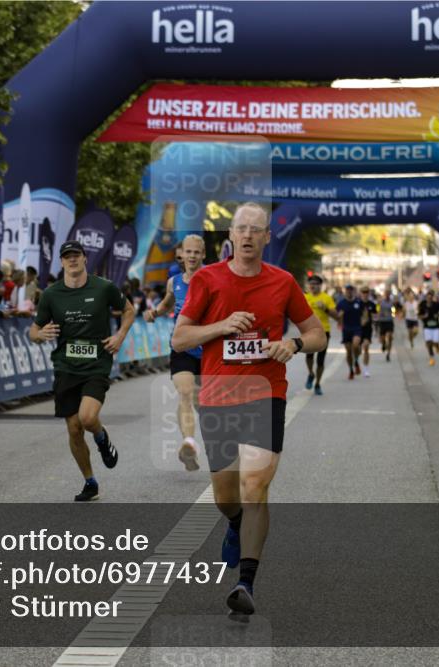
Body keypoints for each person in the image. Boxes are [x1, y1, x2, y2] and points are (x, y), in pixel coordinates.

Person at [172, 203, 325, 616]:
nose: (248, 235)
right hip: (219, 397)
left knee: (255, 485)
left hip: (265, 393)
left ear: (266, 237)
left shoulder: (282, 282)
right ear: (231, 235)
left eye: (256, 230)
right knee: (226, 496)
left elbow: (317, 334)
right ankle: (235, 523)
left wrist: (292, 344)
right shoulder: (207, 279)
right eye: (241, 228)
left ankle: (246, 583)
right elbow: (179, 339)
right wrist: (221, 327)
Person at [30, 240, 136, 502]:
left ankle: (101, 438)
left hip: (96, 365)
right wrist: (40, 334)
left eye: (76, 255)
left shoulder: (103, 287)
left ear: (85, 258)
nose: (72, 260)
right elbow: (33, 330)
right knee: (74, 428)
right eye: (67, 256)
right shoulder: (51, 295)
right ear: (62, 261)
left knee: (88, 419)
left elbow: (129, 310)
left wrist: (120, 335)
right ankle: (90, 482)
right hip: (65, 367)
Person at [144, 234, 206, 470]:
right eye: (187, 252)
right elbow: (169, 302)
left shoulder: (213, 278)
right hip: (182, 348)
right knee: (185, 393)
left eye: (196, 252)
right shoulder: (174, 282)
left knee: (203, 402)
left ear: (203, 255)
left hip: (208, 349)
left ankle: (200, 438)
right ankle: (189, 444)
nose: (191, 256)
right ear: (181, 254)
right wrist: (156, 313)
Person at [302, 274, 337, 395]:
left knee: (321, 361)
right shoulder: (304, 297)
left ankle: (317, 384)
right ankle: (311, 373)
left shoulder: (327, 298)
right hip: (309, 331)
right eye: (311, 284)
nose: (313, 286)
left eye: (316, 284)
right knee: (309, 357)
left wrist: (326, 309)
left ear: (320, 286)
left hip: (324, 331)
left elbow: (336, 316)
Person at [335, 284, 364, 380]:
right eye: (347, 290)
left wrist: (364, 321)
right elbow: (337, 316)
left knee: (355, 346)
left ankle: (356, 361)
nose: (349, 291)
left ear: (353, 291)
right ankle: (351, 369)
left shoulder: (359, 302)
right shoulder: (341, 303)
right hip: (346, 329)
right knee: (348, 352)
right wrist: (339, 318)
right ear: (345, 291)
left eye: (351, 290)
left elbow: (364, 314)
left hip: (357, 328)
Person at [419, 290, 439, 366]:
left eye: (430, 298)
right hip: (427, 327)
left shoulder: (436, 304)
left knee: (435, 342)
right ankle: (431, 358)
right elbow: (419, 315)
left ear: (432, 298)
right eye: (428, 298)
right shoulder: (422, 304)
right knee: (429, 343)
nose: (429, 299)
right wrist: (424, 316)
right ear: (426, 297)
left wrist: (438, 314)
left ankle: (437, 345)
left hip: (436, 326)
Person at [358, 286, 376, 377]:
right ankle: (356, 362)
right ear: (360, 293)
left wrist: (372, 319)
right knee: (357, 349)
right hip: (358, 329)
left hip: (368, 329)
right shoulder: (357, 303)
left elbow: (375, 316)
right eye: (363, 292)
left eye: (366, 292)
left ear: (369, 293)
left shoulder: (372, 304)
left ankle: (366, 369)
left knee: (366, 347)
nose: (365, 294)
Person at [376, 288, 396, 362]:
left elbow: (394, 309)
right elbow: (377, 309)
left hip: (389, 321)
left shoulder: (391, 302)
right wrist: (378, 314)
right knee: (382, 337)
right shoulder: (381, 302)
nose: (387, 295)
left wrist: (393, 315)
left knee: (390, 337)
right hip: (382, 321)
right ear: (384, 295)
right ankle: (383, 344)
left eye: (389, 294)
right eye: (386, 294)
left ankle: (388, 354)